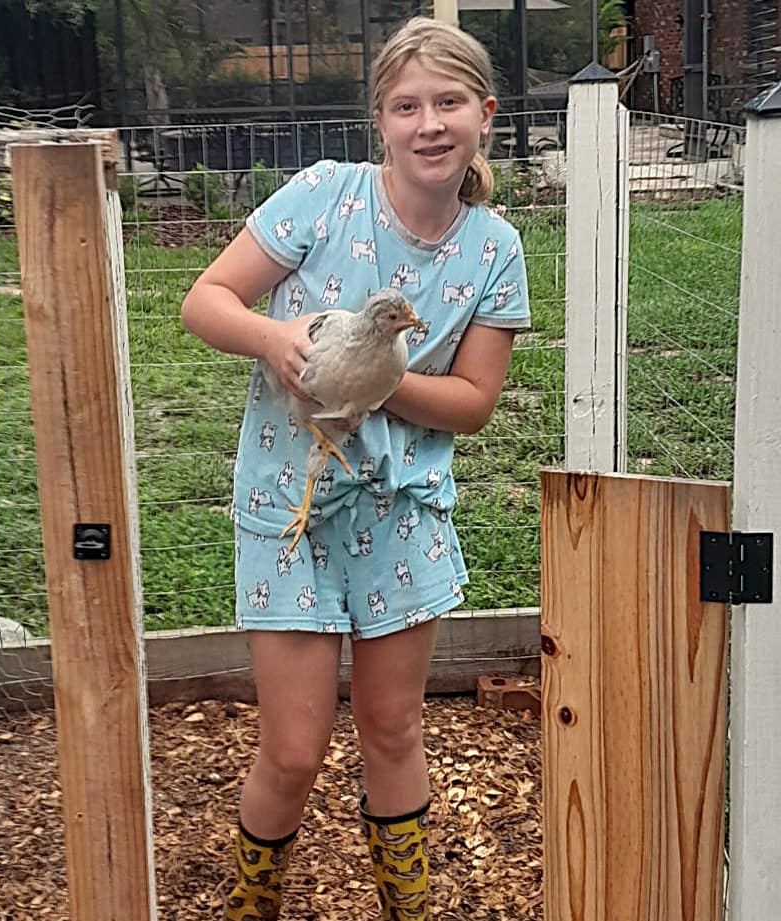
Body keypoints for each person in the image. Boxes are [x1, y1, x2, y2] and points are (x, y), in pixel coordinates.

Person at [181, 16, 531, 920]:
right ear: (379, 119)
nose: (429, 124)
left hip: (400, 511)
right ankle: (252, 904)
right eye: (407, 106)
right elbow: (205, 300)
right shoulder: (323, 196)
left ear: (485, 115)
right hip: (288, 504)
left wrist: (374, 377)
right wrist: (274, 339)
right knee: (293, 749)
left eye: (449, 103)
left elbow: (473, 402)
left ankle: (406, 908)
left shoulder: (494, 248)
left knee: (392, 727)